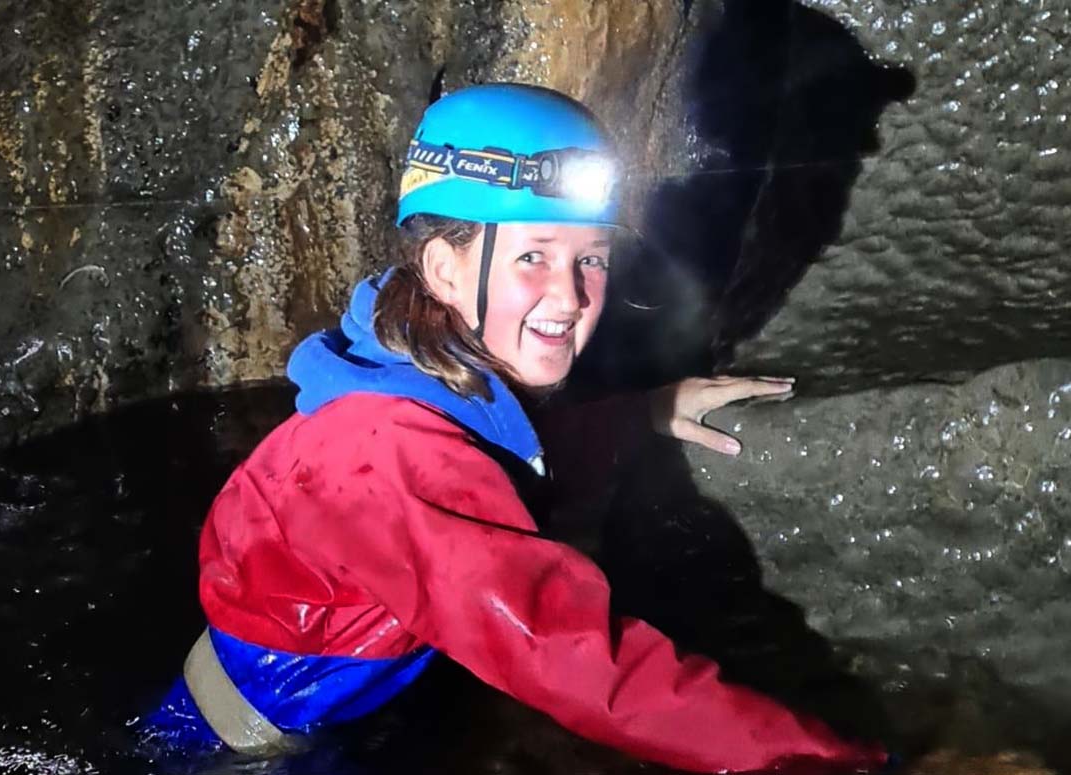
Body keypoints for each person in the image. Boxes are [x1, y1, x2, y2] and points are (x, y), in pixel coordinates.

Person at [141, 83, 888, 773]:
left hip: (337, 699)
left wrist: (646, 413)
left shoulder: (422, 372)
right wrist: (821, 759)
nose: (570, 294)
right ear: (444, 269)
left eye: (590, 258)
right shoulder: (382, 451)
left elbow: (490, 472)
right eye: (533, 255)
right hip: (244, 754)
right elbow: (573, 657)